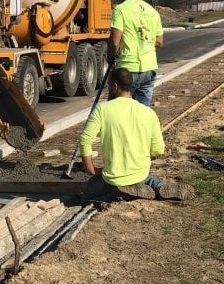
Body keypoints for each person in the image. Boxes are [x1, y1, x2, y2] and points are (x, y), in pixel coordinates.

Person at [79, 68, 187, 201]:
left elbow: (85, 140)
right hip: (140, 173)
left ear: (114, 86)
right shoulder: (148, 112)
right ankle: (159, 187)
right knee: (147, 179)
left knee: (90, 190)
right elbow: (159, 149)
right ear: (130, 86)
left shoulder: (102, 109)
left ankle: (120, 193)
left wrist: (91, 169)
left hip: (114, 177)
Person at [108, 0, 163, 106]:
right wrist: (145, 40)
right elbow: (160, 42)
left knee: (117, 109)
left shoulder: (120, 9)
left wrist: (110, 57)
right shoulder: (153, 11)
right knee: (142, 112)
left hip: (128, 70)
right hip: (149, 68)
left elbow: (115, 42)